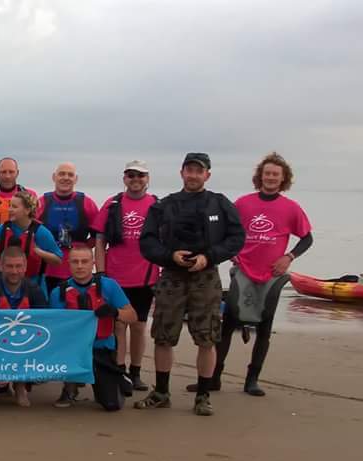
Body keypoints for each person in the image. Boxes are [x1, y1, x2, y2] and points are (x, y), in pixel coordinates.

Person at [191, 152, 313, 397]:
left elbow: (307, 238)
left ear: (283, 179)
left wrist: (288, 257)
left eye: (275, 174)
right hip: (244, 269)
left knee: (265, 325)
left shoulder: (291, 208)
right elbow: (225, 231)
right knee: (230, 321)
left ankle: (252, 379)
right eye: (267, 173)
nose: (270, 177)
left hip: (272, 273)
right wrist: (231, 253)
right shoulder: (244, 203)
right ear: (260, 176)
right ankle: (214, 377)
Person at [135, 152, 245, 416]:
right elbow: (147, 242)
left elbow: (237, 237)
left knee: (207, 338)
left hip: (205, 277)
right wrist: (169, 256)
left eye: (199, 171)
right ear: (181, 172)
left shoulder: (219, 204)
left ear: (207, 174)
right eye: (189, 170)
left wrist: (209, 257)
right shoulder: (164, 206)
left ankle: (204, 396)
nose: (193, 175)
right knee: (163, 336)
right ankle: (161, 392)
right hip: (171, 276)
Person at [93, 160, 159, 392]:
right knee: (118, 325)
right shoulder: (112, 204)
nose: (136, 180)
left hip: (145, 276)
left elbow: (165, 241)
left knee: (140, 326)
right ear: (124, 179)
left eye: (140, 176)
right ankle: (119, 371)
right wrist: (100, 273)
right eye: (131, 175)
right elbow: (100, 240)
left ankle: (136, 371)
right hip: (116, 276)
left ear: (147, 179)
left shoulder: (156, 205)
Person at [50, 246, 137, 411]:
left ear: (93, 263)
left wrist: (115, 311)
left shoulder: (109, 286)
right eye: (75, 262)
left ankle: (115, 375)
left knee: (112, 405)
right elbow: (54, 328)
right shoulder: (58, 292)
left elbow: (132, 316)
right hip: (73, 350)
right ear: (68, 264)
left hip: (102, 348)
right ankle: (70, 387)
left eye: (84, 261)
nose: (80, 266)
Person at [0, 246, 50, 407]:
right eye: (9, 266)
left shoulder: (35, 291)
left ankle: (20, 386)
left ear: (25, 267)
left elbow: (44, 324)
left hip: (26, 346)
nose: (14, 271)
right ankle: (3, 384)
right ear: (1, 267)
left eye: (18, 266)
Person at [38, 162, 100, 293]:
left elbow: (98, 236)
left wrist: (82, 249)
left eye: (70, 175)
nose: (66, 178)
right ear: (54, 177)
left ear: (76, 179)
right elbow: (31, 233)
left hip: (78, 270)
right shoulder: (42, 202)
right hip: (48, 269)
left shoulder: (86, 203)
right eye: (62, 174)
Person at [0, 190, 62, 294]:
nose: (10, 210)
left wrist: (38, 251)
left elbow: (58, 260)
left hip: (33, 287)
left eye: (14, 207)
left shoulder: (41, 232)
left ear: (27, 210)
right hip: (4, 287)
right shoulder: (3, 229)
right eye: (10, 206)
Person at [0, 157, 39, 225]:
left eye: (11, 172)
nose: (7, 176)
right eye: (3, 172)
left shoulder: (30, 195)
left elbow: (36, 223)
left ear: (17, 173)